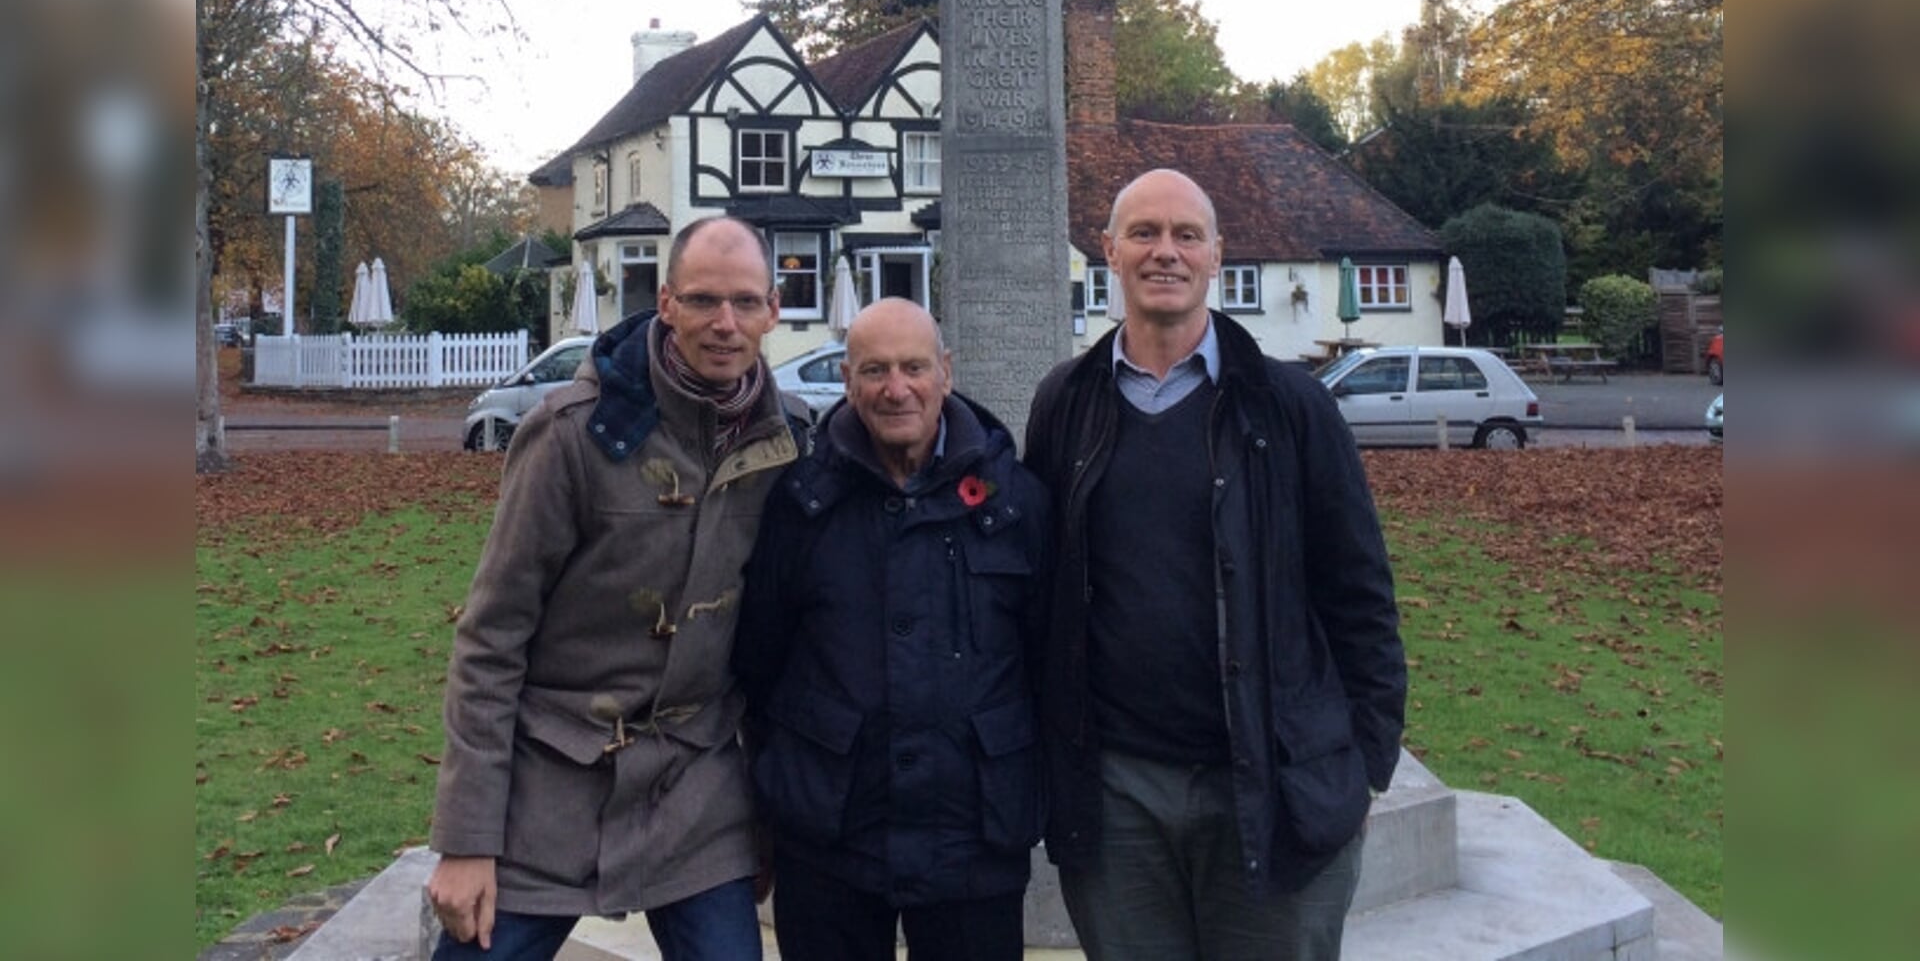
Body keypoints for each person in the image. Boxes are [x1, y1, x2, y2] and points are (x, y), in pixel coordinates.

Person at [1023, 169, 1407, 960]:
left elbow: (1359, 593)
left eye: (1186, 236)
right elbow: (1045, 595)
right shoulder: (1066, 403)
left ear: (1217, 257)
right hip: (1118, 794)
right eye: (1144, 233)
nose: (1165, 252)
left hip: (1270, 779)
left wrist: (1363, 766)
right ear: (1109, 252)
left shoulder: (1290, 406)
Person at [426, 217, 806, 961]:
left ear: (773, 310)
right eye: (702, 301)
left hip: (695, 790)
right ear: (665, 303)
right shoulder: (572, 434)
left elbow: (777, 649)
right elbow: (490, 639)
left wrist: (767, 819)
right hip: (551, 783)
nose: (724, 324)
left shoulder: (787, 444)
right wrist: (467, 840)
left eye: (744, 302)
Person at [735, 298, 1050, 961]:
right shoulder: (799, 503)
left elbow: (1049, 661)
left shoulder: (1018, 501)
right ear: (848, 380)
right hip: (831, 832)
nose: (896, 388)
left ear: (946, 373)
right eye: (875, 370)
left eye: (914, 367)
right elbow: (759, 662)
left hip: (974, 834)